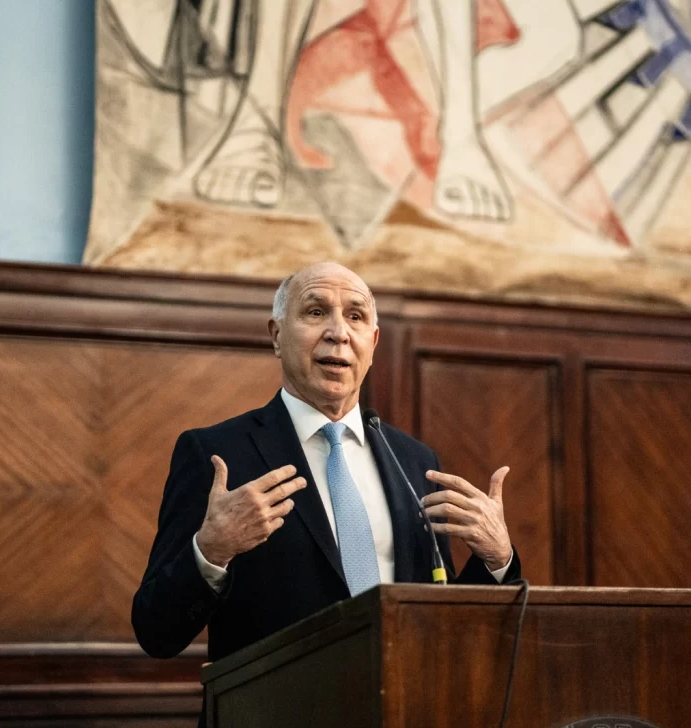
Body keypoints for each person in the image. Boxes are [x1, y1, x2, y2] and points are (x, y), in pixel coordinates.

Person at [132, 261, 520, 718]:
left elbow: (444, 618)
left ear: (372, 344)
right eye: (316, 312)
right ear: (277, 335)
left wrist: (498, 560)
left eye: (356, 317)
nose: (338, 333)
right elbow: (157, 631)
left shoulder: (413, 461)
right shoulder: (218, 454)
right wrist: (211, 550)